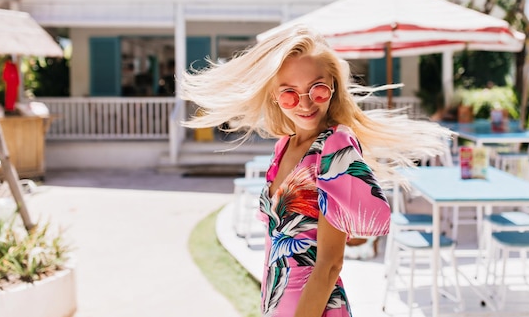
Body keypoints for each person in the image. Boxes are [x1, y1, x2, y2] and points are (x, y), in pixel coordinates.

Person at [179, 25, 450, 317]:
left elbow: (330, 264)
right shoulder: (283, 147)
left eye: (317, 89)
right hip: (277, 303)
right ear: (274, 95)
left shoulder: (335, 147)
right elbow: (274, 249)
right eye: (289, 94)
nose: (305, 103)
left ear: (332, 86)